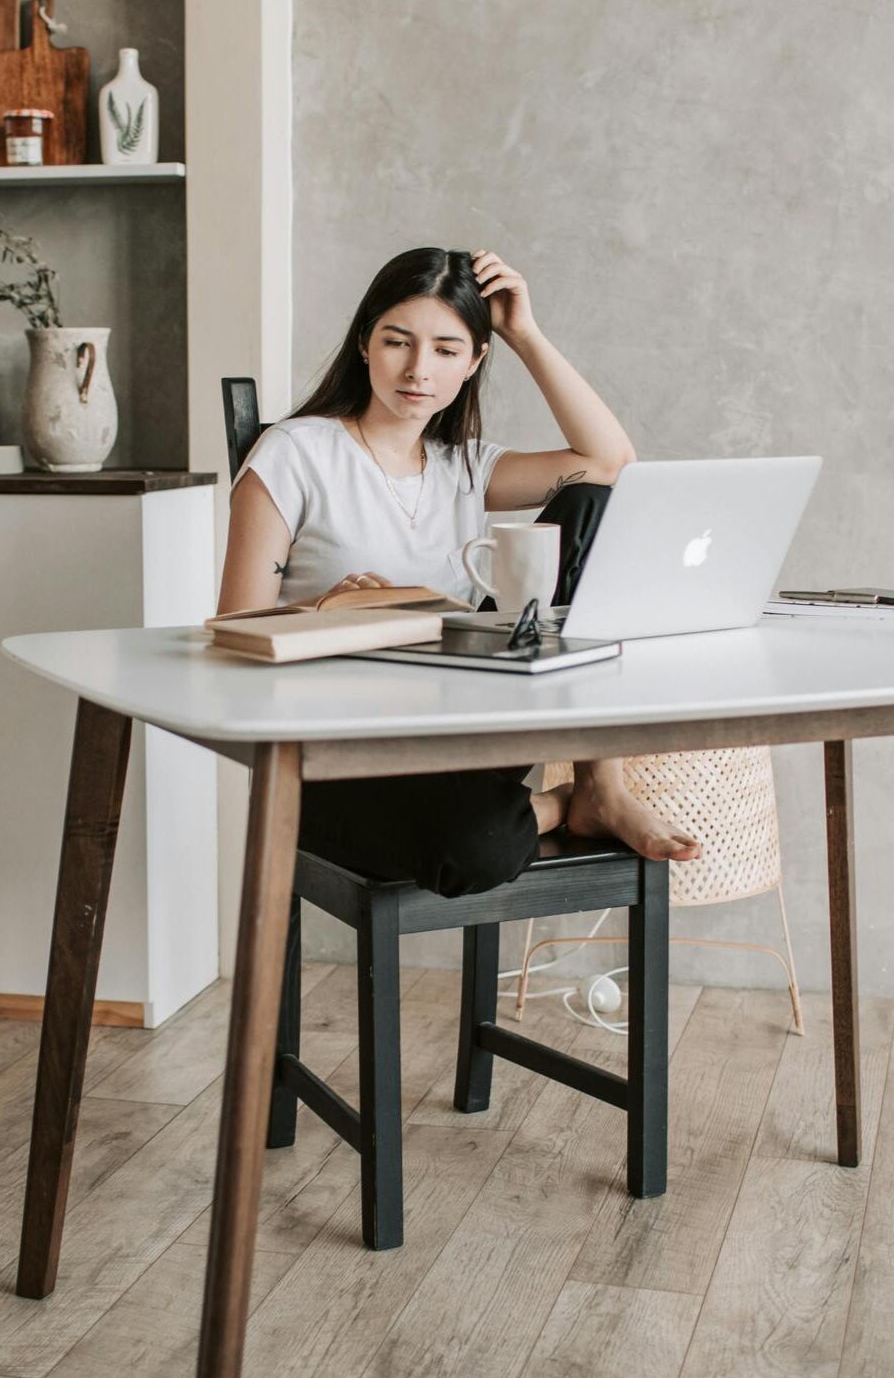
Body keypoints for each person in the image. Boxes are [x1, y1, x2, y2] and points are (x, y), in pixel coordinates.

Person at [219, 246, 700, 896]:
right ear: (364, 343)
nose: (419, 369)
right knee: (476, 846)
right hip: (339, 756)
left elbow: (610, 462)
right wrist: (326, 608)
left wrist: (523, 334)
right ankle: (560, 804)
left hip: (460, 733)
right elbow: (233, 634)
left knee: (591, 505)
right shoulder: (295, 453)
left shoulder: (466, 466)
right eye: (397, 341)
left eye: (447, 349)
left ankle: (601, 785)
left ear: (474, 362)